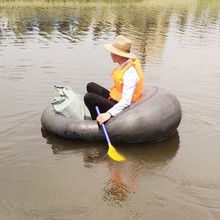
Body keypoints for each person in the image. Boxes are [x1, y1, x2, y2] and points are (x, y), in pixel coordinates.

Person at [84, 35, 143, 125]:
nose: (110, 54)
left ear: (119, 55)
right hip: (115, 100)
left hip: (123, 108)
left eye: (112, 52)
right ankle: (98, 114)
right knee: (91, 86)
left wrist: (109, 113)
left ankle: (96, 123)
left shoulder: (130, 73)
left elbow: (126, 101)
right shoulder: (124, 64)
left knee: (89, 98)